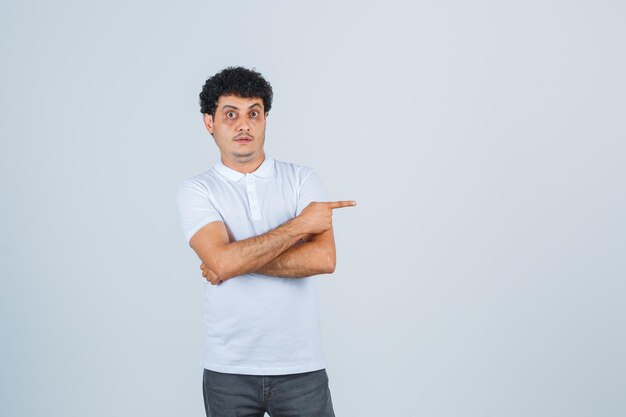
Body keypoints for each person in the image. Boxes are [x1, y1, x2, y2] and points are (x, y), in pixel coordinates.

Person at [176, 66, 356, 417]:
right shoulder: (196, 190)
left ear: (265, 119)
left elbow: (323, 259)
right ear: (209, 122)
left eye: (253, 113)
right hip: (228, 370)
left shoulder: (302, 179)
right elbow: (222, 262)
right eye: (230, 114)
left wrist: (231, 260)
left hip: (301, 367)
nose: (244, 125)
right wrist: (298, 227)